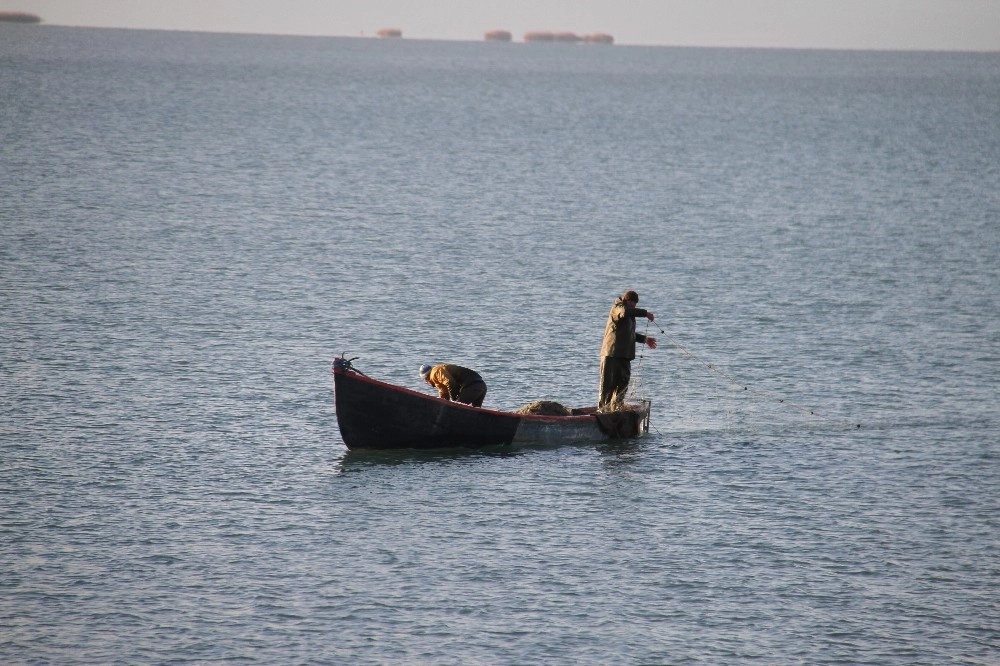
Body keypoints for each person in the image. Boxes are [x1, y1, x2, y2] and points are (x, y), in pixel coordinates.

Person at [599, 290, 657, 410]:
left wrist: (645, 339)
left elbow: (628, 334)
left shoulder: (630, 315)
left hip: (624, 356)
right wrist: (645, 313)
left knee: (623, 385)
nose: (634, 307)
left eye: (635, 305)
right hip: (611, 354)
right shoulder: (618, 308)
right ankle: (603, 411)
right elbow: (625, 311)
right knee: (607, 386)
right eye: (633, 304)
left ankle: (617, 408)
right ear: (627, 300)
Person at [419, 363, 488, 407]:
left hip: (472, 386)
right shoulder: (438, 379)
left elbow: (450, 382)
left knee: (456, 408)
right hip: (481, 385)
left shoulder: (435, 372)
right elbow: (444, 393)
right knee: (476, 411)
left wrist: (453, 401)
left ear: (426, 378)